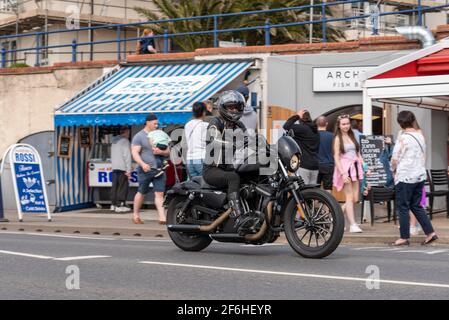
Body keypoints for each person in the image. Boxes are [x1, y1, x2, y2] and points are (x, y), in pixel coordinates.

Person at [203, 90, 249, 232]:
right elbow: (214, 139)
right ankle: (238, 216)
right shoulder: (216, 122)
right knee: (233, 178)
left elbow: (249, 141)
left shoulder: (240, 126)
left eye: (236, 107)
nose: (234, 110)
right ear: (223, 107)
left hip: (231, 166)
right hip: (213, 169)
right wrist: (231, 144)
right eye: (231, 107)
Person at [391, 111, 438, 246]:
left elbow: (395, 158)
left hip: (405, 176)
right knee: (416, 205)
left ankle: (404, 237)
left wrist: (392, 170)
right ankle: (430, 233)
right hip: (419, 175)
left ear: (400, 123)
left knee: (403, 207)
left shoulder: (403, 138)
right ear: (413, 120)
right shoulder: (420, 136)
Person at [131, 113, 170, 225]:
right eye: (155, 123)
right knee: (141, 192)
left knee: (160, 194)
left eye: (157, 123)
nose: (156, 125)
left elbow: (168, 151)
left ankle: (162, 218)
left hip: (159, 169)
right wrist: (142, 164)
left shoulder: (160, 134)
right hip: (145, 169)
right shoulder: (139, 136)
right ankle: (136, 215)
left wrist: (161, 152)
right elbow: (134, 153)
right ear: (148, 123)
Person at [333, 114, 366, 233]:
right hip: (345, 169)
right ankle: (353, 224)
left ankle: (336, 216)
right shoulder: (337, 138)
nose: (346, 126)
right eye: (343, 124)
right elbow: (336, 157)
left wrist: (365, 166)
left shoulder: (353, 136)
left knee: (355, 198)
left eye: (347, 123)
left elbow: (358, 154)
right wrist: (342, 173)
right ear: (339, 125)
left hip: (356, 168)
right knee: (349, 197)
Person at [283, 109, 320, 185]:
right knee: (312, 193)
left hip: (304, 166)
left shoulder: (303, 129)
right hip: (315, 166)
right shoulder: (315, 131)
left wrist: (297, 116)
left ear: (301, 119)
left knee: (302, 193)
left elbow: (286, 126)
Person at [184, 102, 209, 178]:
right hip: (201, 157)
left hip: (189, 159)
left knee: (194, 184)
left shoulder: (187, 125)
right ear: (204, 112)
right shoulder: (205, 125)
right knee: (205, 183)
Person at [111, 126, 132, 213]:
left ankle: (113, 205)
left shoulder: (114, 141)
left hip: (115, 167)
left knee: (115, 187)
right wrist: (128, 170)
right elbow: (127, 156)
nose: (129, 134)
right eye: (128, 133)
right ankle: (120, 204)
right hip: (122, 167)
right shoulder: (125, 141)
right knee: (123, 187)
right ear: (126, 132)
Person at [316, 116, 334, 192]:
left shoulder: (313, 136)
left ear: (316, 124)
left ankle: (315, 204)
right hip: (328, 165)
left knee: (315, 188)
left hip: (316, 165)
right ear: (326, 124)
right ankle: (328, 204)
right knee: (328, 189)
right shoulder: (332, 136)